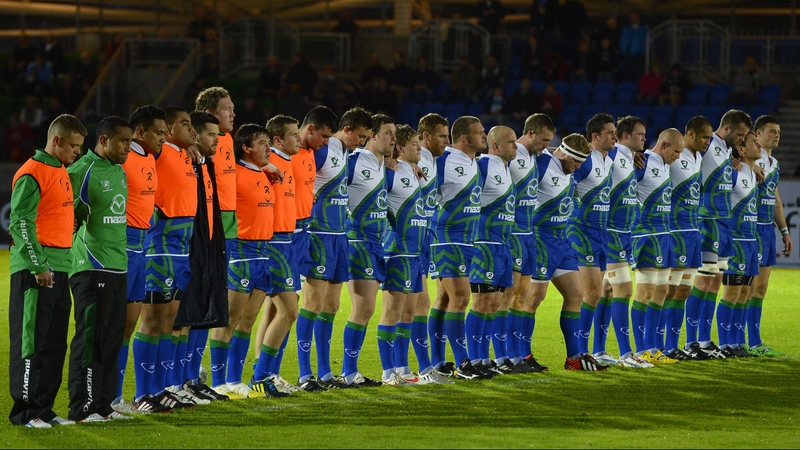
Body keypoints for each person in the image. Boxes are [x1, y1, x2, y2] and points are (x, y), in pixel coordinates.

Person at [8, 114, 86, 428]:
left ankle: (43, 410)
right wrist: (38, 264)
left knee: (54, 343)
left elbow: (51, 214)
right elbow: (20, 223)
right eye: (73, 146)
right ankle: (24, 413)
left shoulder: (60, 171)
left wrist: (70, 224)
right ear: (56, 141)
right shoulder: (32, 172)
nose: (77, 152)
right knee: (31, 342)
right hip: (35, 271)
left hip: (61, 267)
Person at [66, 116, 134, 422]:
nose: (128, 148)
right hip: (91, 267)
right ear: (104, 140)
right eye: (123, 141)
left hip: (118, 266)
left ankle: (103, 405)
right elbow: (60, 212)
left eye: (131, 142)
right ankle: (82, 407)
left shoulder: (119, 171)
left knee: (112, 338)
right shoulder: (80, 171)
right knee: (90, 339)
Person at [298, 106, 366, 391]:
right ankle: (305, 375)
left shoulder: (347, 153)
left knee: (332, 305)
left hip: (339, 236)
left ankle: (325, 373)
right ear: (346, 129)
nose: (362, 142)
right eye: (360, 136)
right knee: (313, 303)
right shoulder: (325, 150)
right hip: (319, 234)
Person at [135, 106, 198, 410]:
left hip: (181, 247)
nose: (193, 129)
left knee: (170, 319)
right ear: (169, 130)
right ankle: (142, 393)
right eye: (186, 124)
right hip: (160, 243)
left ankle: (161, 388)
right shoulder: (158, 153)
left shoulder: (186, 155)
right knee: (152, 319)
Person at [113, 105, 171, 415]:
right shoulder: (123, 160)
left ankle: (122, 397)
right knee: (115, 325)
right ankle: (106, 397)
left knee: (129, 325)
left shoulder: (150, 157)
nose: (164, 137)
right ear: (139, 132)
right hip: (119, 246)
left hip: (142, 248)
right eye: (159, 133)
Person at [208, 123, 273, 400]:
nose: (268, 149)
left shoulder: (265, 175)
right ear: (246, 148)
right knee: (229, 320)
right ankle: (217, 380)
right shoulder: (234, 174)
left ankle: (235, 379)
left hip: (263, 251)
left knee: (247, 321)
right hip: (242, 252)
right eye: (262, 144)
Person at [530, 134, 601, 370]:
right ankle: (521, 356)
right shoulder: (541, 164)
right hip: (540, 239)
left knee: (575, 295)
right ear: (565, 154)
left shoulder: (567, 167)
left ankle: (573, 358)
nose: (579, 167)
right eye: (576, 162)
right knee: (533, 299)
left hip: (562, 240)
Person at [686, 110, 751, 359]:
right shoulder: (708, 143)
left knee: (714, 283)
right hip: (706, 220)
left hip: (724, 223)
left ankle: (704, 340)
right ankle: (691, 342)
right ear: (726, 129)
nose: (742, 140)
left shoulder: (726, 150)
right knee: (703, 282)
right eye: (740, 135)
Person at [248, 115, 303, 398]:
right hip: (274, 243)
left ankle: (266, 373)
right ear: (278, 139)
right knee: (289, 311)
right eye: (294, 135)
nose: (300, 139)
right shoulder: (270, 164)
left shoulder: (288, 161)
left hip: (287, 241)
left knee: (274, 311)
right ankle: (259, 376)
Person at [340, 114, 395, 387]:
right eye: (388, 133)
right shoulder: (353, 161)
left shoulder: (383, 165)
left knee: (366, 309)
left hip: (376, 244)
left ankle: (350, 371)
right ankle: (348, 371)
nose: (393, 139)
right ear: (372, 135)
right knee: (363, 307)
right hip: (358, 242)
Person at [430, 116, 487, 379]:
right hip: (447, 238)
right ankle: (464, 362)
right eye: (480, 132)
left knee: (444, 299)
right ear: (464, 138)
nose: (484, 135)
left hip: (467, 240)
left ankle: (438, 362)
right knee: (461, 298)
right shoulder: (443, 160)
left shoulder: (474, 162)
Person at [594, 115, 653, 368]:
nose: (644, 139)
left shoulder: (629, 157)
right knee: (624, 289)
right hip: (610, 231)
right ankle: (627, 354)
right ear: (625, 136)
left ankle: (598, 351)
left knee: (607, 290)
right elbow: (585, 152)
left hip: (623, 233)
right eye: (640, 135)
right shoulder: (614, 153)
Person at [465, 125, 518, 377]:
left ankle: (484, 358)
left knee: (494, 303)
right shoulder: (482, 165)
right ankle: (473, 359)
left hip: (502, 246)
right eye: (511, 143)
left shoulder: (506, 169)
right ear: (495, 145)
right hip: (483, 244)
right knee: (481, 302)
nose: (515, 147)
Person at [376, 124, 426, 385]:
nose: (419, 148)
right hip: (398, 251)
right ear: (400, 148)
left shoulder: (410, 170)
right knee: (392, 312)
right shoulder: (390, 173)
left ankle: (403, 368)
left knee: (409, 313)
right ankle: (387, 372)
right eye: (415, 144)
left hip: (415, 253)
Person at [504, 114, 554, 373]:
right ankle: (506, 356)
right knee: (509, 298)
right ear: (531, 133)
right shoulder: (511, 153)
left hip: (528, 234)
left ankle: (521, 354)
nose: (546, 145)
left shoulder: (536, 156)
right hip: (511, 234)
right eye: (544, 140)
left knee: (522, 299)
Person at [630, 128, 684, 365]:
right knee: (644, 294)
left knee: (661, 293)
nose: (679, 157)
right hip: (646, 236)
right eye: (676, 151)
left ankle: (653, 347)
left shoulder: (665, 164)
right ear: (663, 145)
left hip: (664, 236)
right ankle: (641, 349)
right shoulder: (642, 162)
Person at [194, 87, 237, 387]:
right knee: (199, 297)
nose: (233, 113)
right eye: (227, 108)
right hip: (208, 221)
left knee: (217, 299)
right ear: (210, 113)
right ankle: (191, 369)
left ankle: (200, 367)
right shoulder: (197, 144)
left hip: (229, 225)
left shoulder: (229, 139)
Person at [567, 113, 615, 364]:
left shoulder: (610, 158)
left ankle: (598, 351)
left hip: (602, 233)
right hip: (582, 231)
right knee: (593, 292)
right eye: (610, 133)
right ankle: (581, 352)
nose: (615, 137)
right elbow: (567, 182)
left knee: (605, 291)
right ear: (595, 137)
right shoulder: (586, 161)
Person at [665, 116, 713, 361]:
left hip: (692, 232)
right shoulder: (674, 155)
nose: (708, 142)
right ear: (690, 135)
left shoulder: (698, 158)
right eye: (704, 137)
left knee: (684, 291)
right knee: (669, 291)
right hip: (674, 232)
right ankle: (661, 346)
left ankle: (674, 346)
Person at [747, 116, 792, 356]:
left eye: (779, 132)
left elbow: (775, 201)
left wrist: (784, 231)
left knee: (761, 287)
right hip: (749, 228)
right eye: (772, 131)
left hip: (767, 230)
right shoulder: (747, 158)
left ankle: (755, 342)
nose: (776, 135)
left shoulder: (773, 163)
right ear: (758, 133)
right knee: (745, 288)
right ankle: (737, 339)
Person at [416, 114, 455, 380]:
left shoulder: (435, 160)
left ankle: (429, 365)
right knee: (413, 305)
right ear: (426, 135)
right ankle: (421, 368)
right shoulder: (413, 157)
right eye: (442, 136)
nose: (446, 141)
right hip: (406, 239)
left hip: (425, 237)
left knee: (425, 302)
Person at [715, 131, 760, 358]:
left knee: (745, 294)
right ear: (741, 149)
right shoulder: (733, 172)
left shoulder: (753, 174)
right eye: (754, 142)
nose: (758, 145)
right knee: (731, 294)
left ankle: (736, 342)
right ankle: (724, 344)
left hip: (751, 242)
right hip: (735, 242)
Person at [620, 11, 649, 82]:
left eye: (635, 17)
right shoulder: (626, 29)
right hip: (629, 55)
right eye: (632, 17)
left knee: (639, 74)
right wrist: (624, 52)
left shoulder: (644, 29)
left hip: (640, 55)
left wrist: (644, 51)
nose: (634, 19)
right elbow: (623, 41)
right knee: (628, 74)